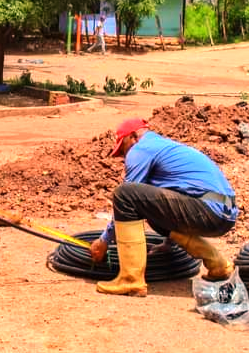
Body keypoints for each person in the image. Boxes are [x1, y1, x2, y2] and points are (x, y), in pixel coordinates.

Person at [90, 118, 238, 297]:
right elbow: (170, 200)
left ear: (133, 137)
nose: (124, 155)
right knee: (150, 211)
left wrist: (104, 240)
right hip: (224, 214)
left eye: (123, 148)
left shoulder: (140, 149)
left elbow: (129, 195)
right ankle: (219, 265)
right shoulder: (165, 147)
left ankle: (130, 280)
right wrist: (168, 243)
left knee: (125, 193)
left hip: (208, 211)